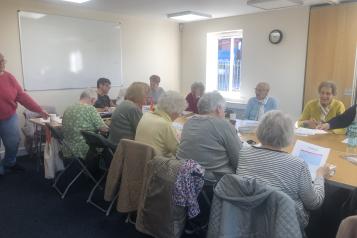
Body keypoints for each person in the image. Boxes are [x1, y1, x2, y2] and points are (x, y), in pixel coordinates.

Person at [236, 110, 330, 227]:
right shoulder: (298, 164)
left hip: (247, 215)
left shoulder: (244, 152)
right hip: (285, 223)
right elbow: (314, 203)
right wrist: (320, 176)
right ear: (288, 135)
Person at [0, 53, 48, 175]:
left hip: (8, 117)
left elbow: (21, 96)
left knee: (14, 142)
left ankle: (10, 162)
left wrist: (39, 110)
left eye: (2, 60)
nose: (2, 63)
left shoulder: (9, 78)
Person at [177, 92, 242, 180]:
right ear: (219, 109)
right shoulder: (223, 124)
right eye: (224, 110)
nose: (224, 113)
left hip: (185, 177)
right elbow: (239, 159)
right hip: (211, 182)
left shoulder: (189, 122)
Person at [135, 91, 186, 157]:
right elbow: (178, 152)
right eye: (179, 112)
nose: (179, 115)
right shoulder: (166, 125)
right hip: (156, 163)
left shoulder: (146, 115)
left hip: (139, 159)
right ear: (174, 111)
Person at [62, 89, 108, 159]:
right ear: (92, 100)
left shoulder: (68, 108)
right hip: (84, 149)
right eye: (94, 102)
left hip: (67, 148)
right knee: (109, 144)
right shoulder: (90, 108)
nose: (94, 104)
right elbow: (104, 129)